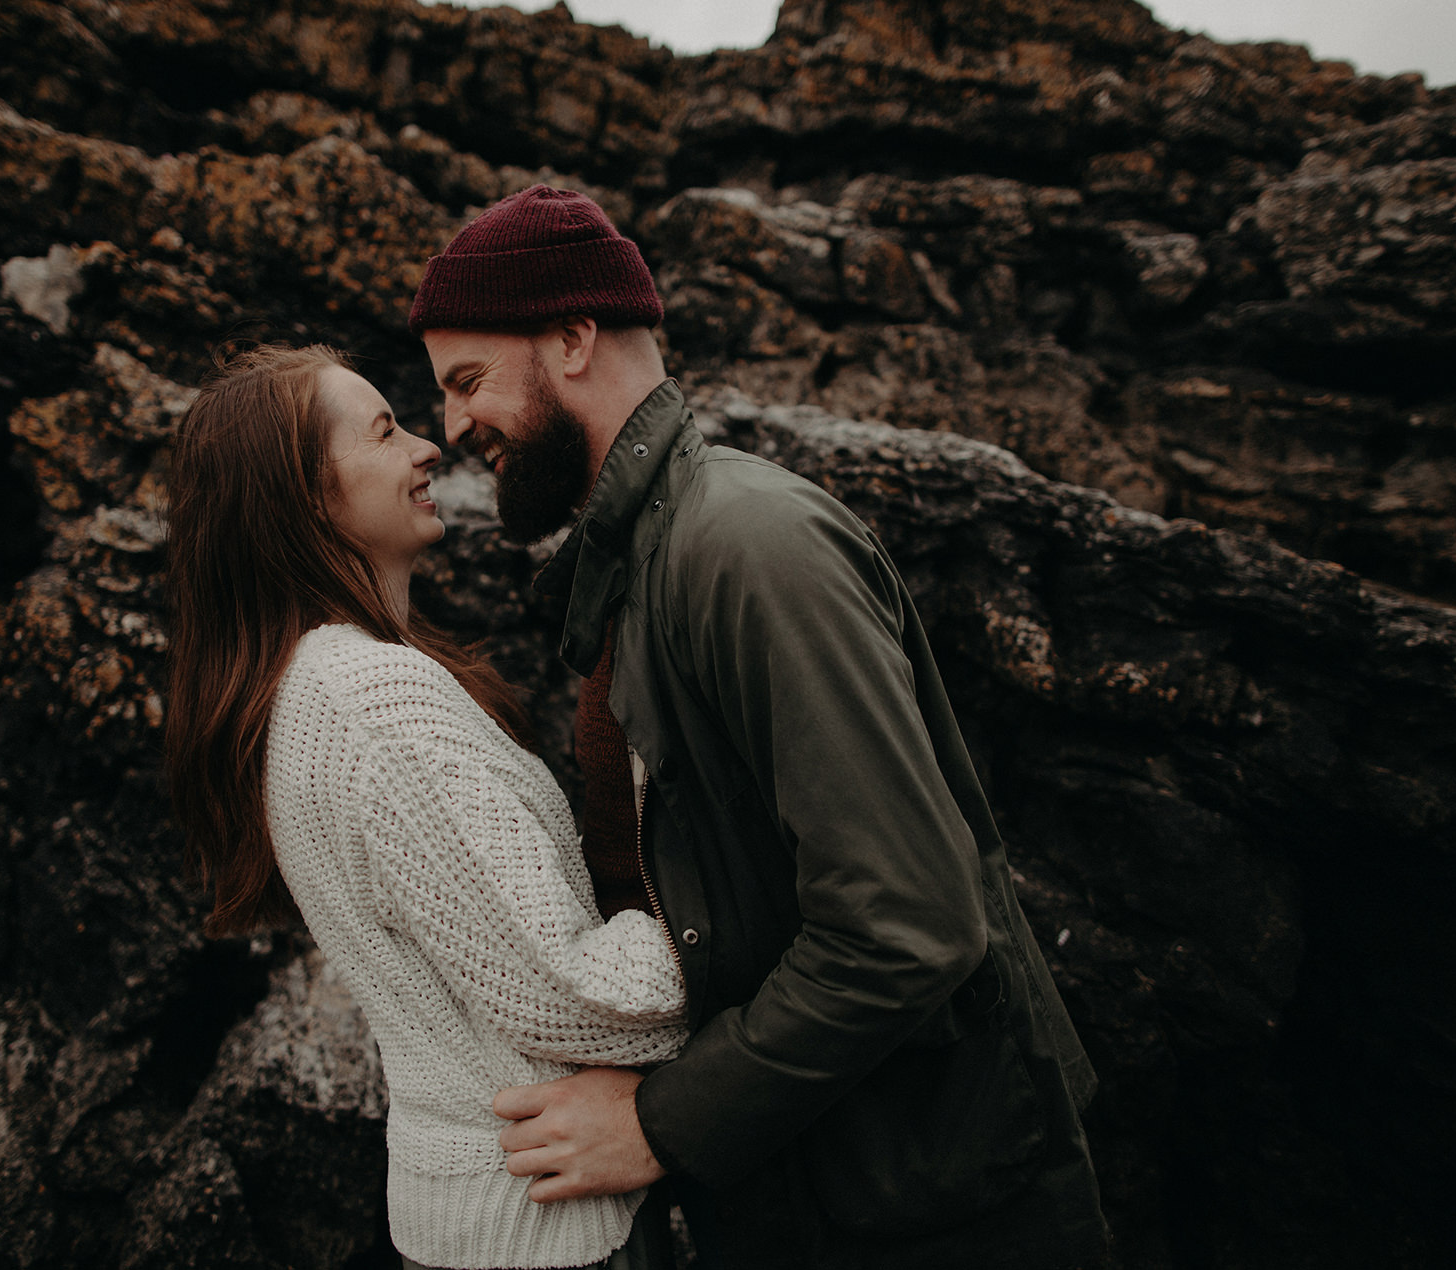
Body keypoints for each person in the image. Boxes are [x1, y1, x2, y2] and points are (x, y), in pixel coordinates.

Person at [409, 186, 1110, 1268]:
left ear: (572, 335)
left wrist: (662, 1121)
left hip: (933, 1207)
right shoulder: (636, 570)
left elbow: (906, 923)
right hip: (816, 1191)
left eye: (466, 382)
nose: (452, 428)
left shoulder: (746, 545)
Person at [162, 343, 689, 1270]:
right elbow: (581, 999)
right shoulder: (372, 700)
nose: (427, 448)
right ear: (305, 495)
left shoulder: (301, 692)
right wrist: (723, 923)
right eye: (383, 432)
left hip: (486, 1211)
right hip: (547, 1225)